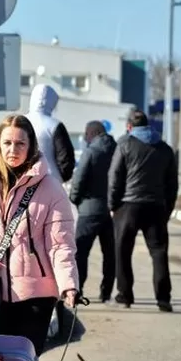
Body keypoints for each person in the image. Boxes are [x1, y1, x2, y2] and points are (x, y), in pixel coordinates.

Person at [0, 114, 80, 356]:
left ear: (31, 145)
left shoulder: (51, 188)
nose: (13, 150)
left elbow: (61, 244)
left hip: (36, 296)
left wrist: (68, 286)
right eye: (7, 143)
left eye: (20, 143)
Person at [108, 109, 178, 312]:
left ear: (129, 126)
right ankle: (163, 299)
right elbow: (172, 184)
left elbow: (115, 177)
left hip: (127, 206)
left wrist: (112, 205)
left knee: (122, 252)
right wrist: (167, 209)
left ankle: (125, 295)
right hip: (156, 207)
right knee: (159, 253)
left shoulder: (125, 145)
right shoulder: (164, 149)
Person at [69, 120, 117, 302]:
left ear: (93, 133)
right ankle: (106, 292)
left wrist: (74, 199)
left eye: (87, 134)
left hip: (89, 209)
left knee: (80, 251)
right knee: (110, 253)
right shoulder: (118, 150)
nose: (86, 138)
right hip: (112, 210)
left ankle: (78, 290)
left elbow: (79, 179)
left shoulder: (91, 152)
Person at [24, 84, 76, 183]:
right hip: (50, 181)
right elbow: (65, 157)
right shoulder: (55, 125)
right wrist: (62, 177)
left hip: (22, 181)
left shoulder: (18, 122)